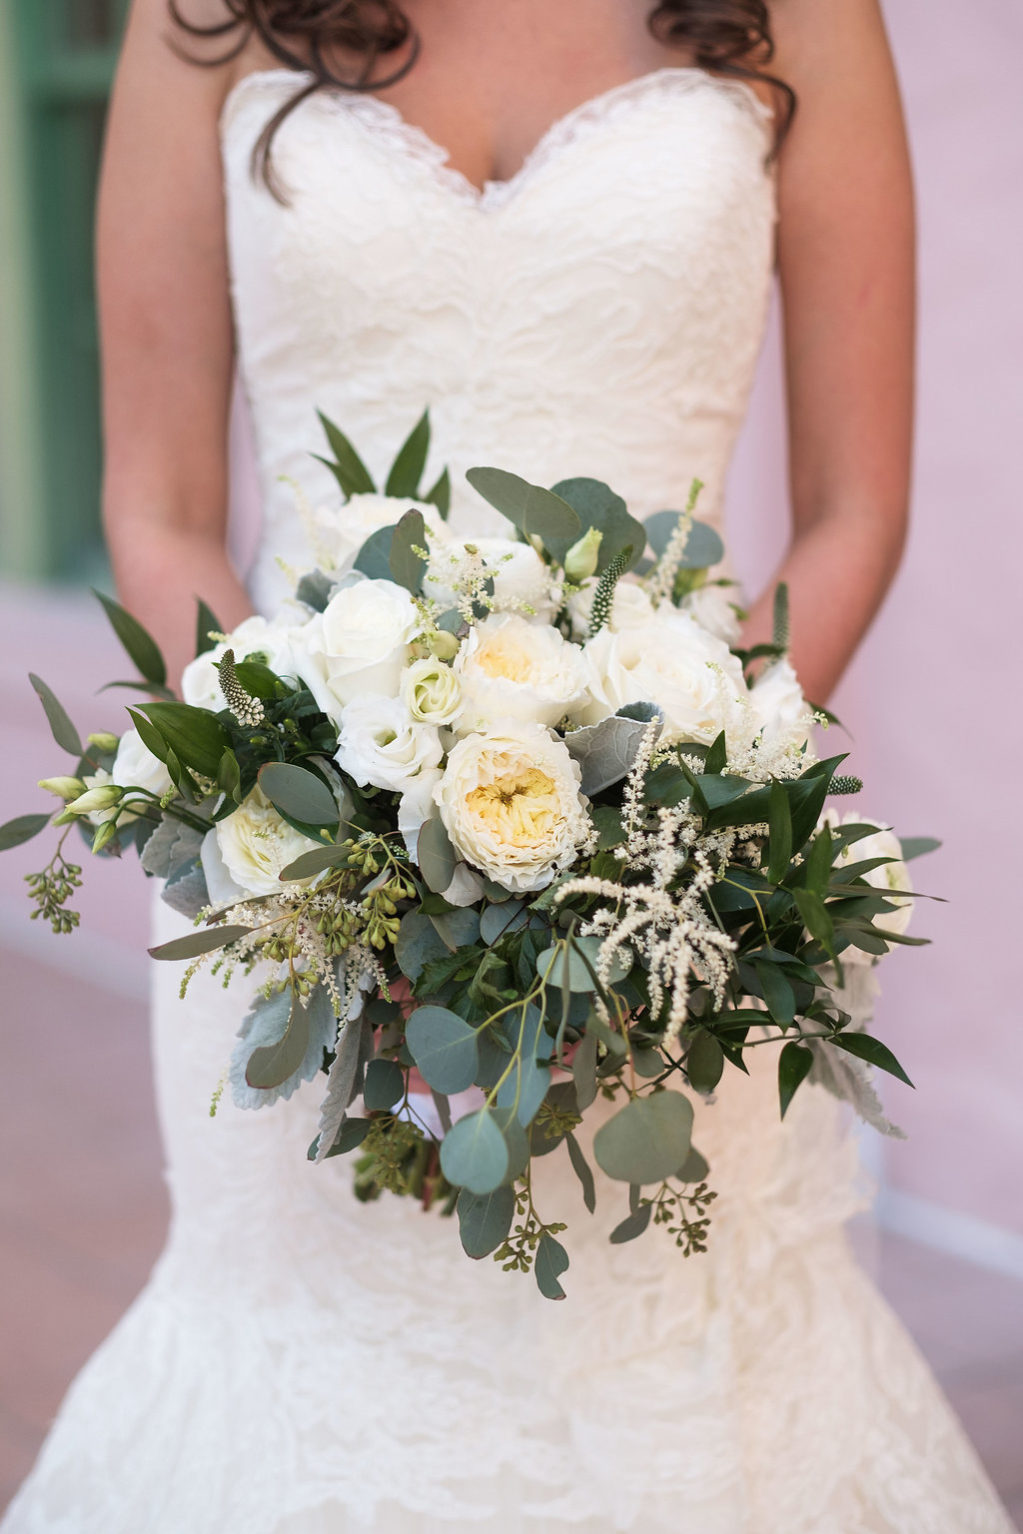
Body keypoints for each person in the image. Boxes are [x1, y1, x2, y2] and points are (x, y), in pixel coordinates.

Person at [2, 1, 1014, 1530]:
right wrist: (319, 824)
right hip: (286, 894)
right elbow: (156, 503)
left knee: (670, 1362)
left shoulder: (798, 11)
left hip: (682, 900)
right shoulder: (200, 15)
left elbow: (851, 506)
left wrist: (677, 828)